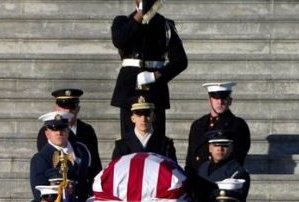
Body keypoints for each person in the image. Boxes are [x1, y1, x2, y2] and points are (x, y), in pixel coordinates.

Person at [110, 0, 187, 139]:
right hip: (129, 88)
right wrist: (140, 15)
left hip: (155, 89)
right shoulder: (122, 21)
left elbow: (180, 61)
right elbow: (119, 40)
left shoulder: (165, 25)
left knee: (156, 140)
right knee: (129, 140)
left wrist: (156, 75)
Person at [29, 111, 95, 202]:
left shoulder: (82, 151)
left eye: (63, 128)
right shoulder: (40, 159)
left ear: (68, 129)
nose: (59, 132)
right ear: (47, 133)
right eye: (54, 129)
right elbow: (40, 195)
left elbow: (91, 178)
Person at [185, 82, 250, 176]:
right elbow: (191, 156)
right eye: (216, 98)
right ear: (209, 101)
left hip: (222, 177)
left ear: (230, 101)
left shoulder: (237, 125)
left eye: (224, 98)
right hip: (198, 177)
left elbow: (238, 156)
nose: (220, 102)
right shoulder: (198, 124)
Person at [37, 88, 102, 173]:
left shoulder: (87, 130)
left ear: (78, 109)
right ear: (56, 108)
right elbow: (46, 160)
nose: (68, 111)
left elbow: (95, 161)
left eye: (72, 107)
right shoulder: (48, 130)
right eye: (63, 107)